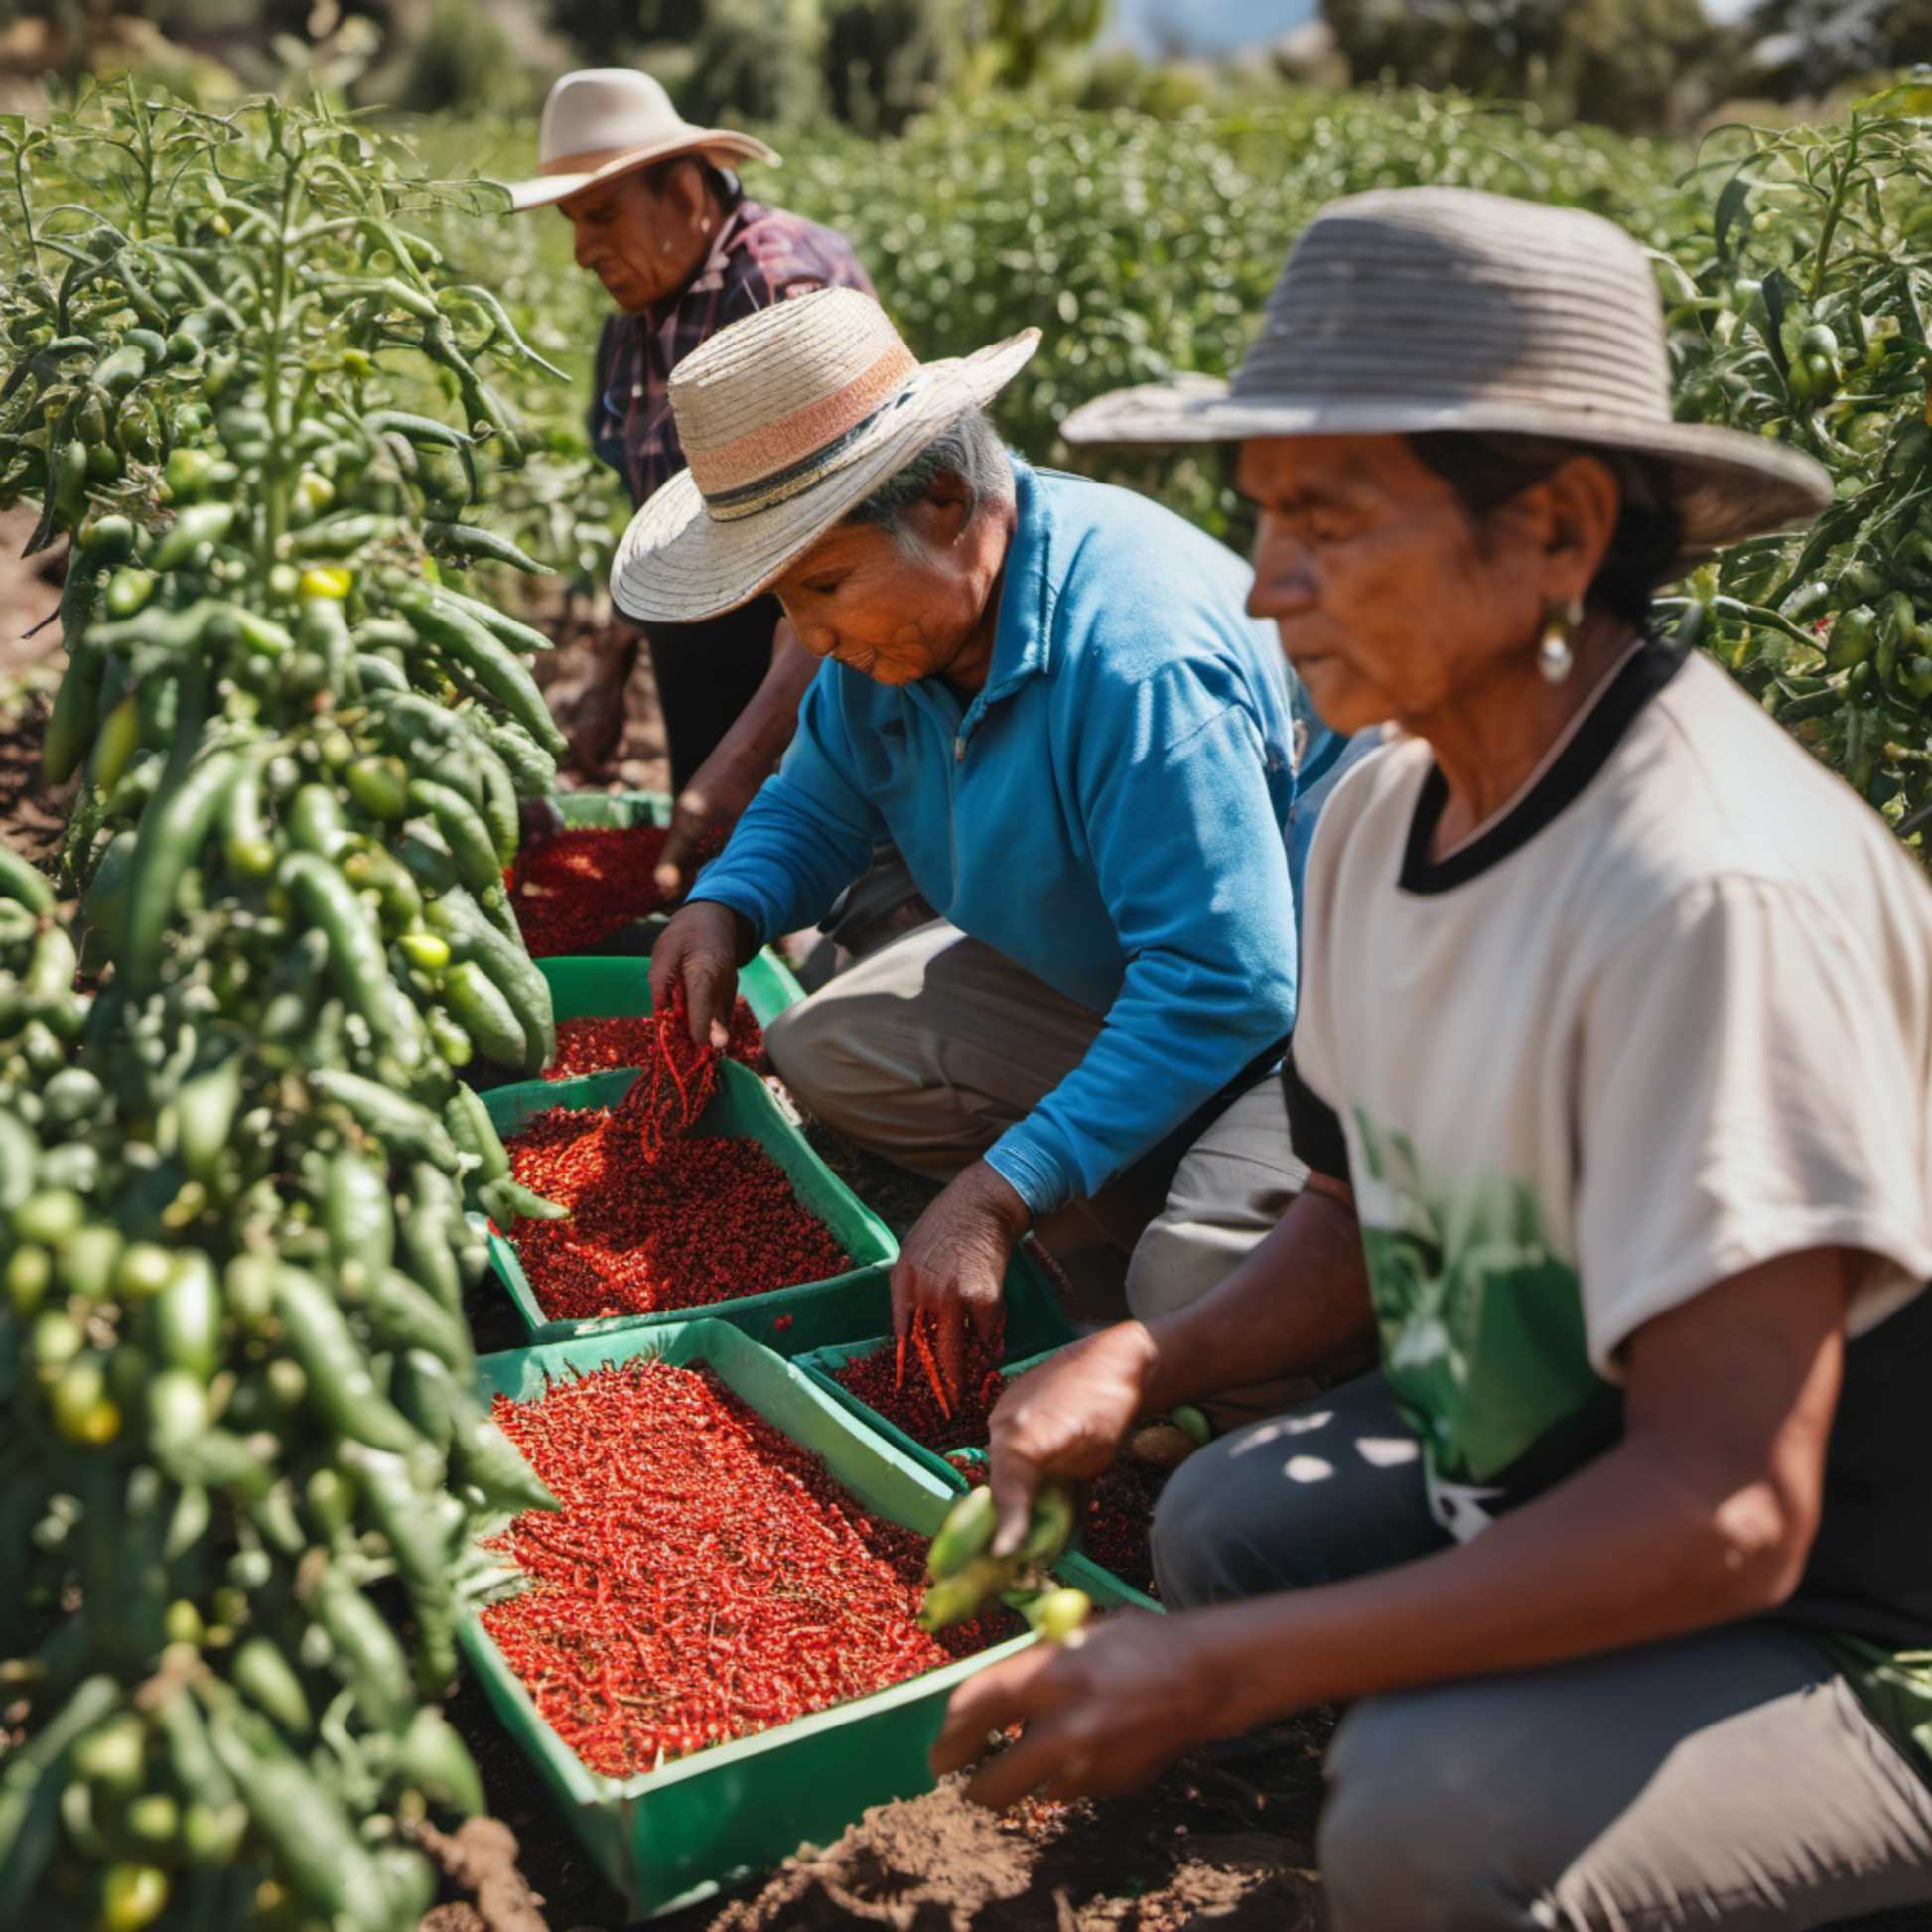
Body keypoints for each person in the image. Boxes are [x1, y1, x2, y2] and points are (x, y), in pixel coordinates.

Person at [934, 185, 1932, 1932]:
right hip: (1579, 1442)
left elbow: (1728, 1511)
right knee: (1223, 1530)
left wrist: (1225, 1675)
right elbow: (1346, 1215)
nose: (1265, 587)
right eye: (1260, 521)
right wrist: (1144, 1357)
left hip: (1860, 1606)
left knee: (1414, 1811)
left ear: (1553, 532)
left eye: (1325, 520)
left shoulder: (1708, 889)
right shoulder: (1387, 803)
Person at [621, 287, 1346, 1398]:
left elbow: (1230, 981)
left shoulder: (1136, 658)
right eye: (785, 601)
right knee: (831, 1047)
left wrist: (1001, 1187)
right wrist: (727, 906)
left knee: (1195, 1280)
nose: (810, 636)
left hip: (1303, 1016)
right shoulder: (902, 634)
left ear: (950, 502)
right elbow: (816, 803)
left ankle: (1209, 1237)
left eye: (824, 586)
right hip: (1113, 966)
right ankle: (1132, 1168)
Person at [507, 69, 875, 887]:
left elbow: (845, 570)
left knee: (832, 874)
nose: (580, 251)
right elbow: (659, 511)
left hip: (822, 649)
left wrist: (740, 765)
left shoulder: (777, 291)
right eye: (570, 219)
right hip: (714, 633)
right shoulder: (639, 321)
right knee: (731, 890)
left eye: (601, 213)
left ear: (683, 188)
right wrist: (612, 667)